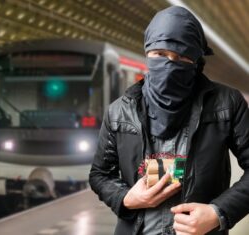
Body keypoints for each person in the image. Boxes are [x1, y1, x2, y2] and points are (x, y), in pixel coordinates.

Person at [89, 6, 249, 235]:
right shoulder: (119, 111)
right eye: (161, 54)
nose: (170, 64)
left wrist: (218, 213)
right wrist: (125, 198)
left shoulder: (227, 103)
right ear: (147, 53)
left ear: (196, 60)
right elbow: (99, 174)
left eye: (182, 57)